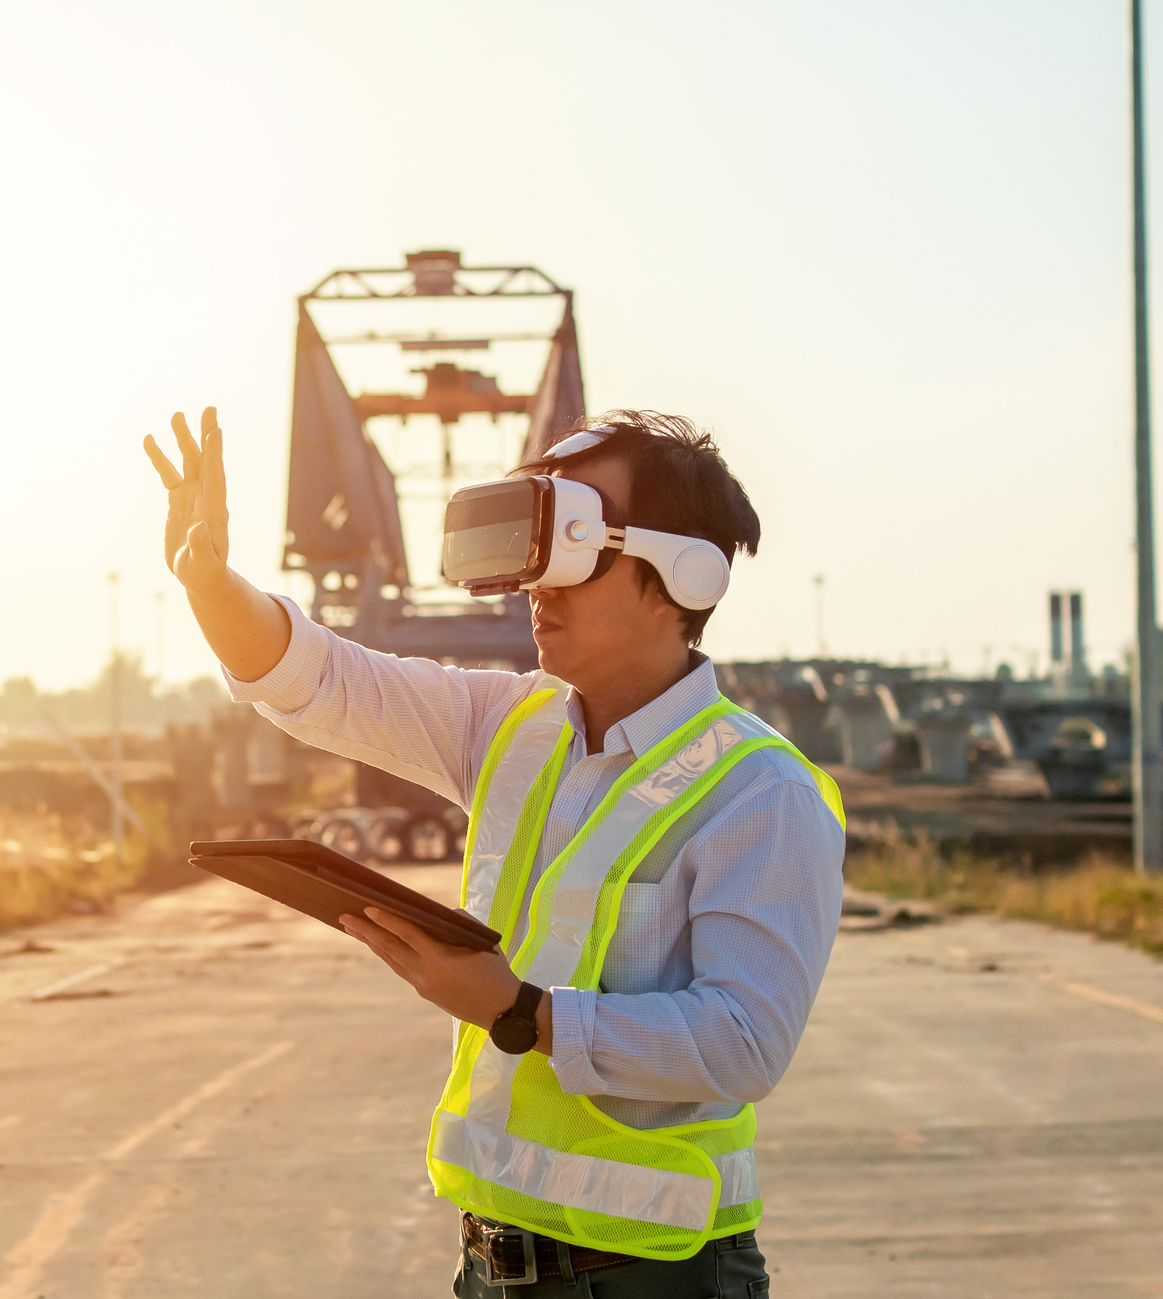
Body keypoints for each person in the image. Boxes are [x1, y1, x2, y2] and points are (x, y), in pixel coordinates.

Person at [143, 406, 844, 1298]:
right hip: (489, 1266)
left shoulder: (760, 792)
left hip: (655, 1277)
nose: (536, 587)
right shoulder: (506, 725)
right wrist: (208, 583)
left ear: (681, 576)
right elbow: (317, 679)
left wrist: (522, 1012)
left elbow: (743, 1043)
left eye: (575, 549)